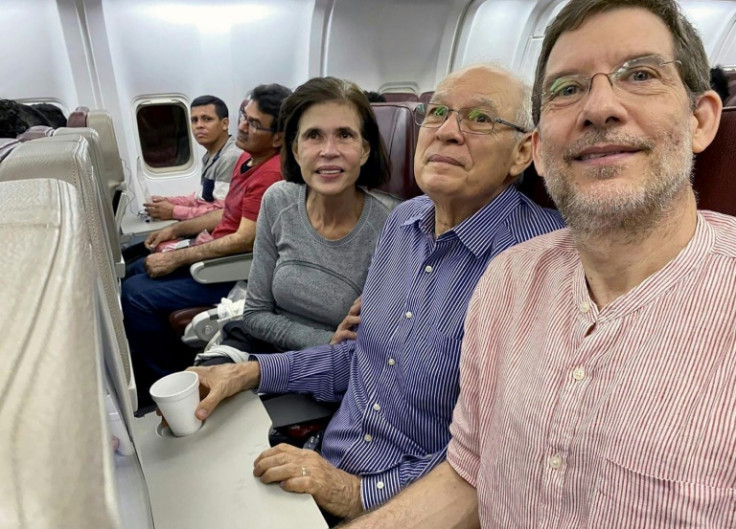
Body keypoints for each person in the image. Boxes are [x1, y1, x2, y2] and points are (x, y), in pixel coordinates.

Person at [342, 1, 730, 527]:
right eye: (567, 89)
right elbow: (468, 473)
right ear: (543, 149)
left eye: (639, 75)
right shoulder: (507, 280)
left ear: (700, 120)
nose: (599, 107)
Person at [187, 65, 564, 520]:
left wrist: (354, 493)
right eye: (438, 112)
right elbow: (361, 360)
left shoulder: (542, 261)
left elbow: (501, 452)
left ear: (524, 151)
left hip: (406, 504)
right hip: (326, 459)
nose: (446, 132)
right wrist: (249, 373)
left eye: (480, 119)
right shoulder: (403, 225)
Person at [196, 77, 393, 364]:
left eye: (345, 135)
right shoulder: (278, 200)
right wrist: (324, 339)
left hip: (328, 368)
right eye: (313, 135)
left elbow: (363, 345)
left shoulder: (388, 228)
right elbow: (254, 314)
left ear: (365, 150)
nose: (328, 150)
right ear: (296, 150)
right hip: (261, 347)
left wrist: (327, 347)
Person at [122, 83, 292, 403]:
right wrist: (179, 229)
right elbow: (223, 214)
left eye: (254, 123)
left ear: (280, 137)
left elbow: (244, 240)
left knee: (135, 296)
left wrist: (178, 257)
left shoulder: (271, 174)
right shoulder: (248, 162)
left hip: (227, 271)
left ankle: (168, 387)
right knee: (133, 272)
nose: (242, 125)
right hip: (211, 260)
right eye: (244, 116)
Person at [144, 95, 242, 221]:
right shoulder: (211, 156)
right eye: (194, 120)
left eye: (207, 119)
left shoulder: (230, 158)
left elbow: (220, 212)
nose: (199, 125)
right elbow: (201, 198)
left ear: (225, 124)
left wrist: (173, 211)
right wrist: (169, 201)